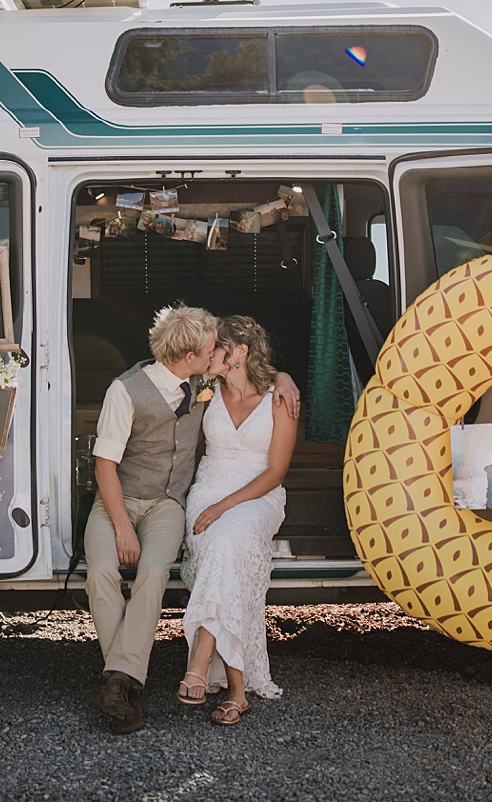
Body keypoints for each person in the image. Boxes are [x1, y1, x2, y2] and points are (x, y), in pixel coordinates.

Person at [85, 305, 300, 734]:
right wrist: (124, 527)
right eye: (208, 350)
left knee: (164, 568)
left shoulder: (216, 377)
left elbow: (274, 456)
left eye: (217, 349)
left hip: (184, 501)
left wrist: (284, 376)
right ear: (192, 358)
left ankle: (158, 673)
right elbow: (104, 465)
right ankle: (125, 680)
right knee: (102, 574)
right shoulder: (147, 388)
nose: (212, 355)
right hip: (145, 497)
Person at [176, 315, 297, 726]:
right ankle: (237, 692)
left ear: (240, 352)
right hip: (208, 490)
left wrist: (225, 506)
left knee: (228, 542)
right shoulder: (204, 388)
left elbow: (275, 473)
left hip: (257, 494)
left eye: (217, 347)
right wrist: (211, 504)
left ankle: (201, 658)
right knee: (228, 552)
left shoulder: (279, 398)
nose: (208, 354)